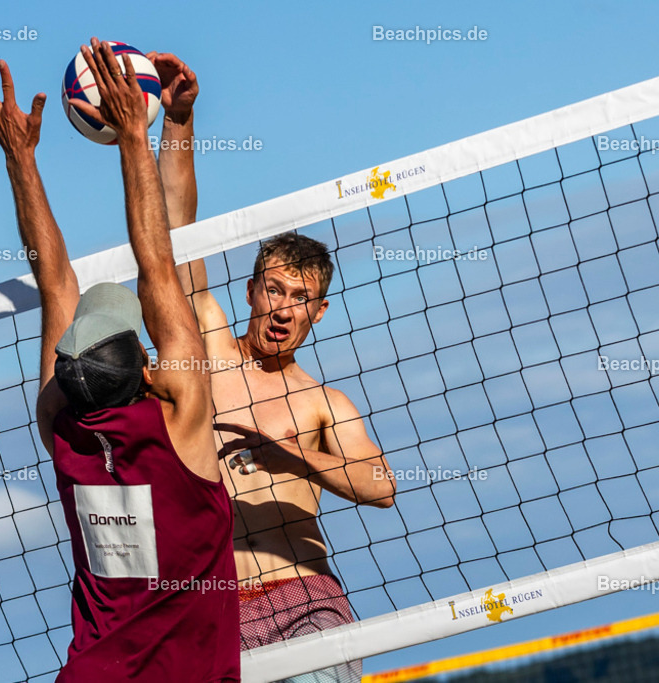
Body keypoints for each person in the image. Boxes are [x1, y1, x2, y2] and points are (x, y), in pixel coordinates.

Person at [0, 40, 239, 683]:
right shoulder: (180, 426)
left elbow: (54, 282)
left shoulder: (64, 429)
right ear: (148, 370)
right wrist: (137, 133)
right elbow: (156, 262)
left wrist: (20, 157)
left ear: (67, 373)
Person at [152, 52, 397, 682]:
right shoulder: (202, 348)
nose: (284, 308)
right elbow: (177, 235)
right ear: (252, 291)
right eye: (275, 290)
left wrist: (296, 459)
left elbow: (381, 487)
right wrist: (179, 122)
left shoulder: (323, 403)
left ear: (318, 313)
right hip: (214, 611)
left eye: (301, 298)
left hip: (305, 604)